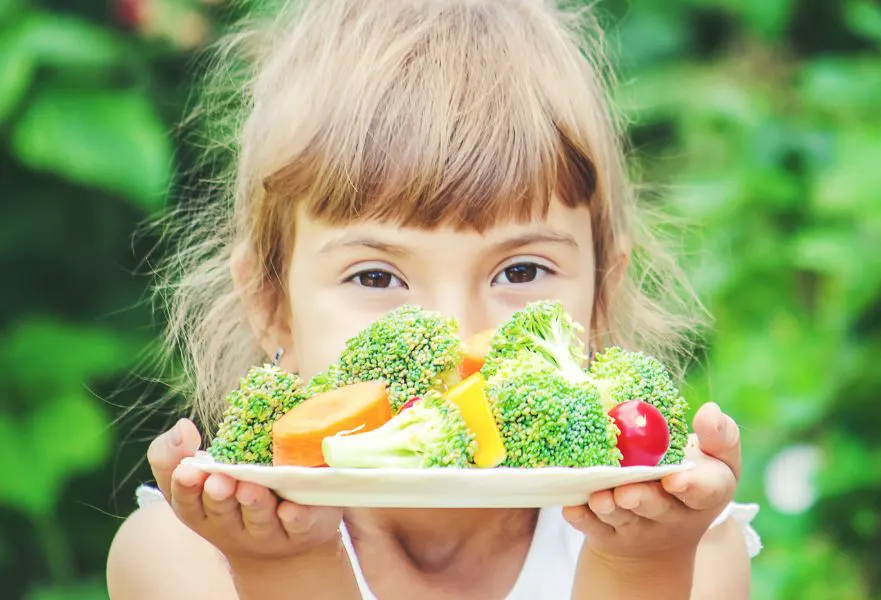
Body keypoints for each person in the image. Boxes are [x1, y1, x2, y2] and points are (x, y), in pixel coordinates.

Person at [106, 0, 762, 598]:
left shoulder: (694, 547)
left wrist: (641, 567)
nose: (454, 333)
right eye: (376, 278)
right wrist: (284, 569)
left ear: (601, 295)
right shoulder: (185, 557)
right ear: (272, 303)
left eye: (523, 270)